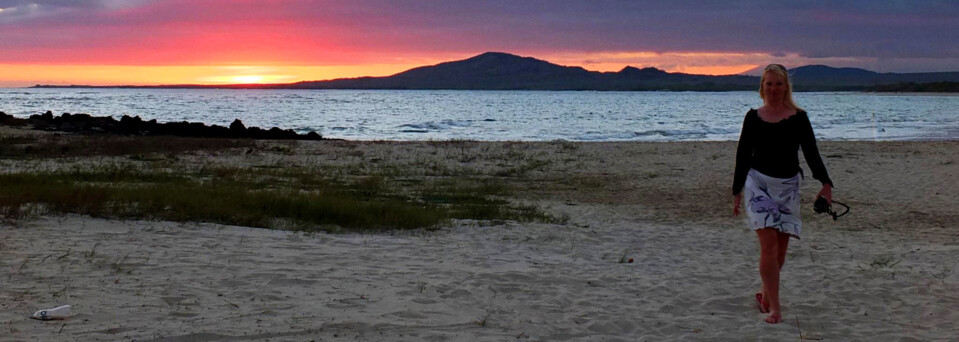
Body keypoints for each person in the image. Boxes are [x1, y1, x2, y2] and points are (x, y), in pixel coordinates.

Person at [731, 63, 834, 324]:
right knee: (769, 246)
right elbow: (743, 155)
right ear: (762, 87)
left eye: (778, 84)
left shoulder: (798, 117)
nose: (773, 88)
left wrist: (825, 183)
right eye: (769, 83)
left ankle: (766, 294)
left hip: (788, 187)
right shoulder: (753, 117)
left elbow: (811, 153)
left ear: (786, 87)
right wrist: (737, 191)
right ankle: (776, 308)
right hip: (758, 184)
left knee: (780, 252)